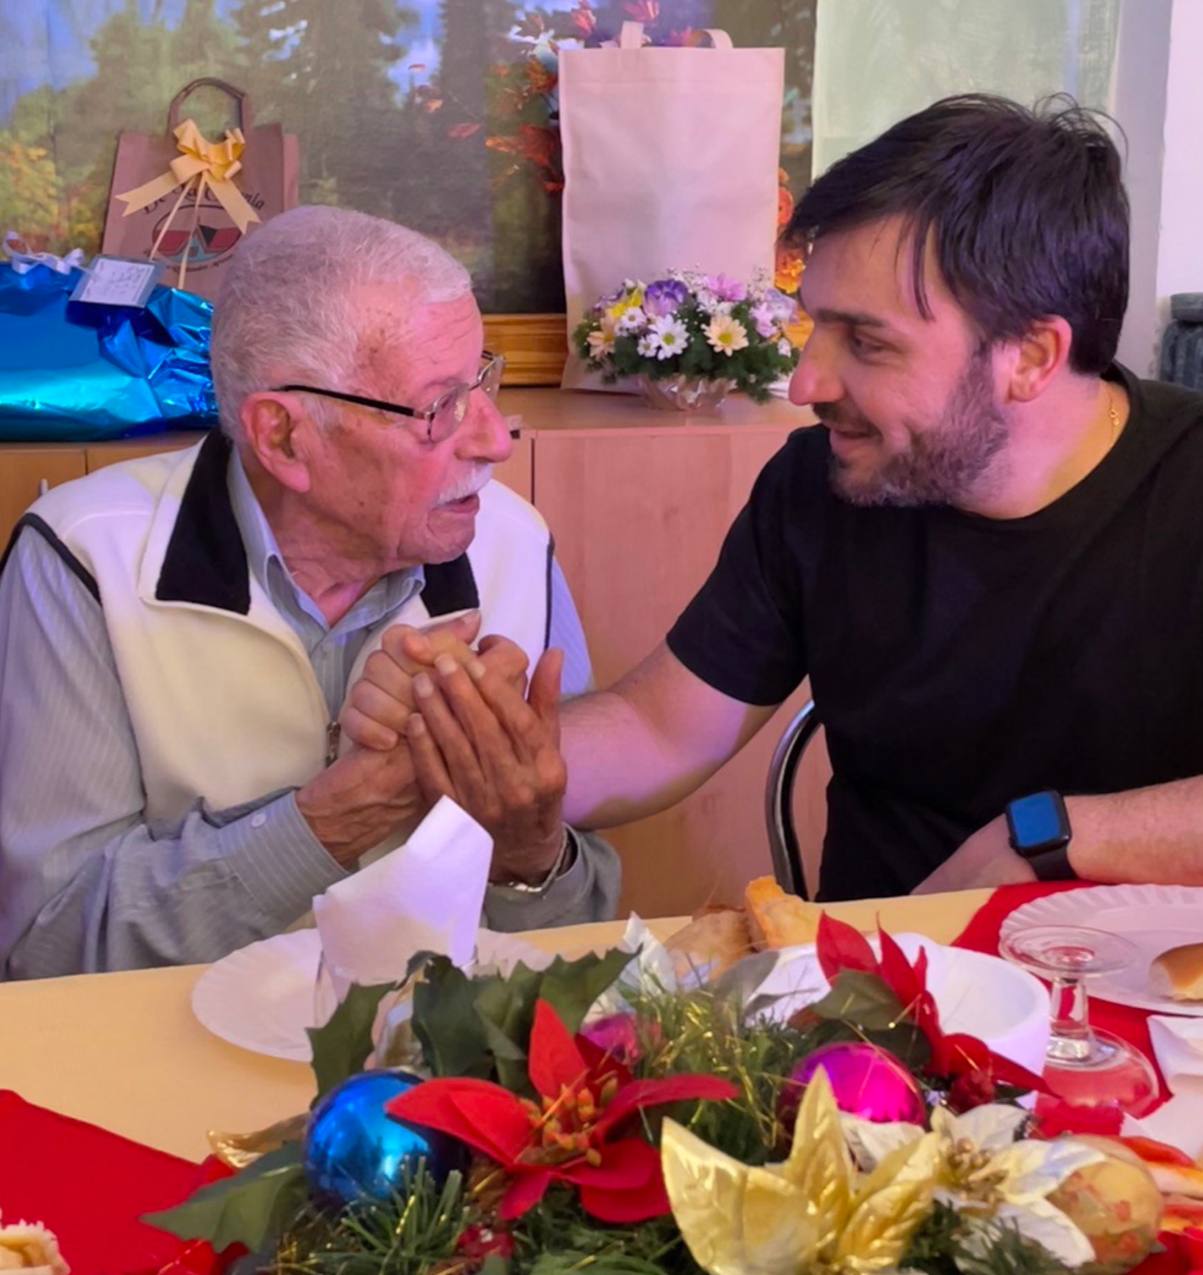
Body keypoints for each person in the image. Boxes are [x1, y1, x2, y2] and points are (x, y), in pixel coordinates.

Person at [346, 95, 1203, 901]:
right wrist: (476, 737)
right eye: (811, 324)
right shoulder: (818, 483)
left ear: (1029, 356)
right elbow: (660, 729)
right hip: (879, 1007)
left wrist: (1050, 838)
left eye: (866, 341)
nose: (803, 382)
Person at [0, 206, 619, 979]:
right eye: (439, 406)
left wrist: (527, 849)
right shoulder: (87, 559)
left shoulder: (513, 544)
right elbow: (45, 950)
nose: (494, 439)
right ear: (285, 436)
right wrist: (346, 811)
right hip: (168, 1073)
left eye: (483, 379)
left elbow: (582, 943)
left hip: (441, 1073)